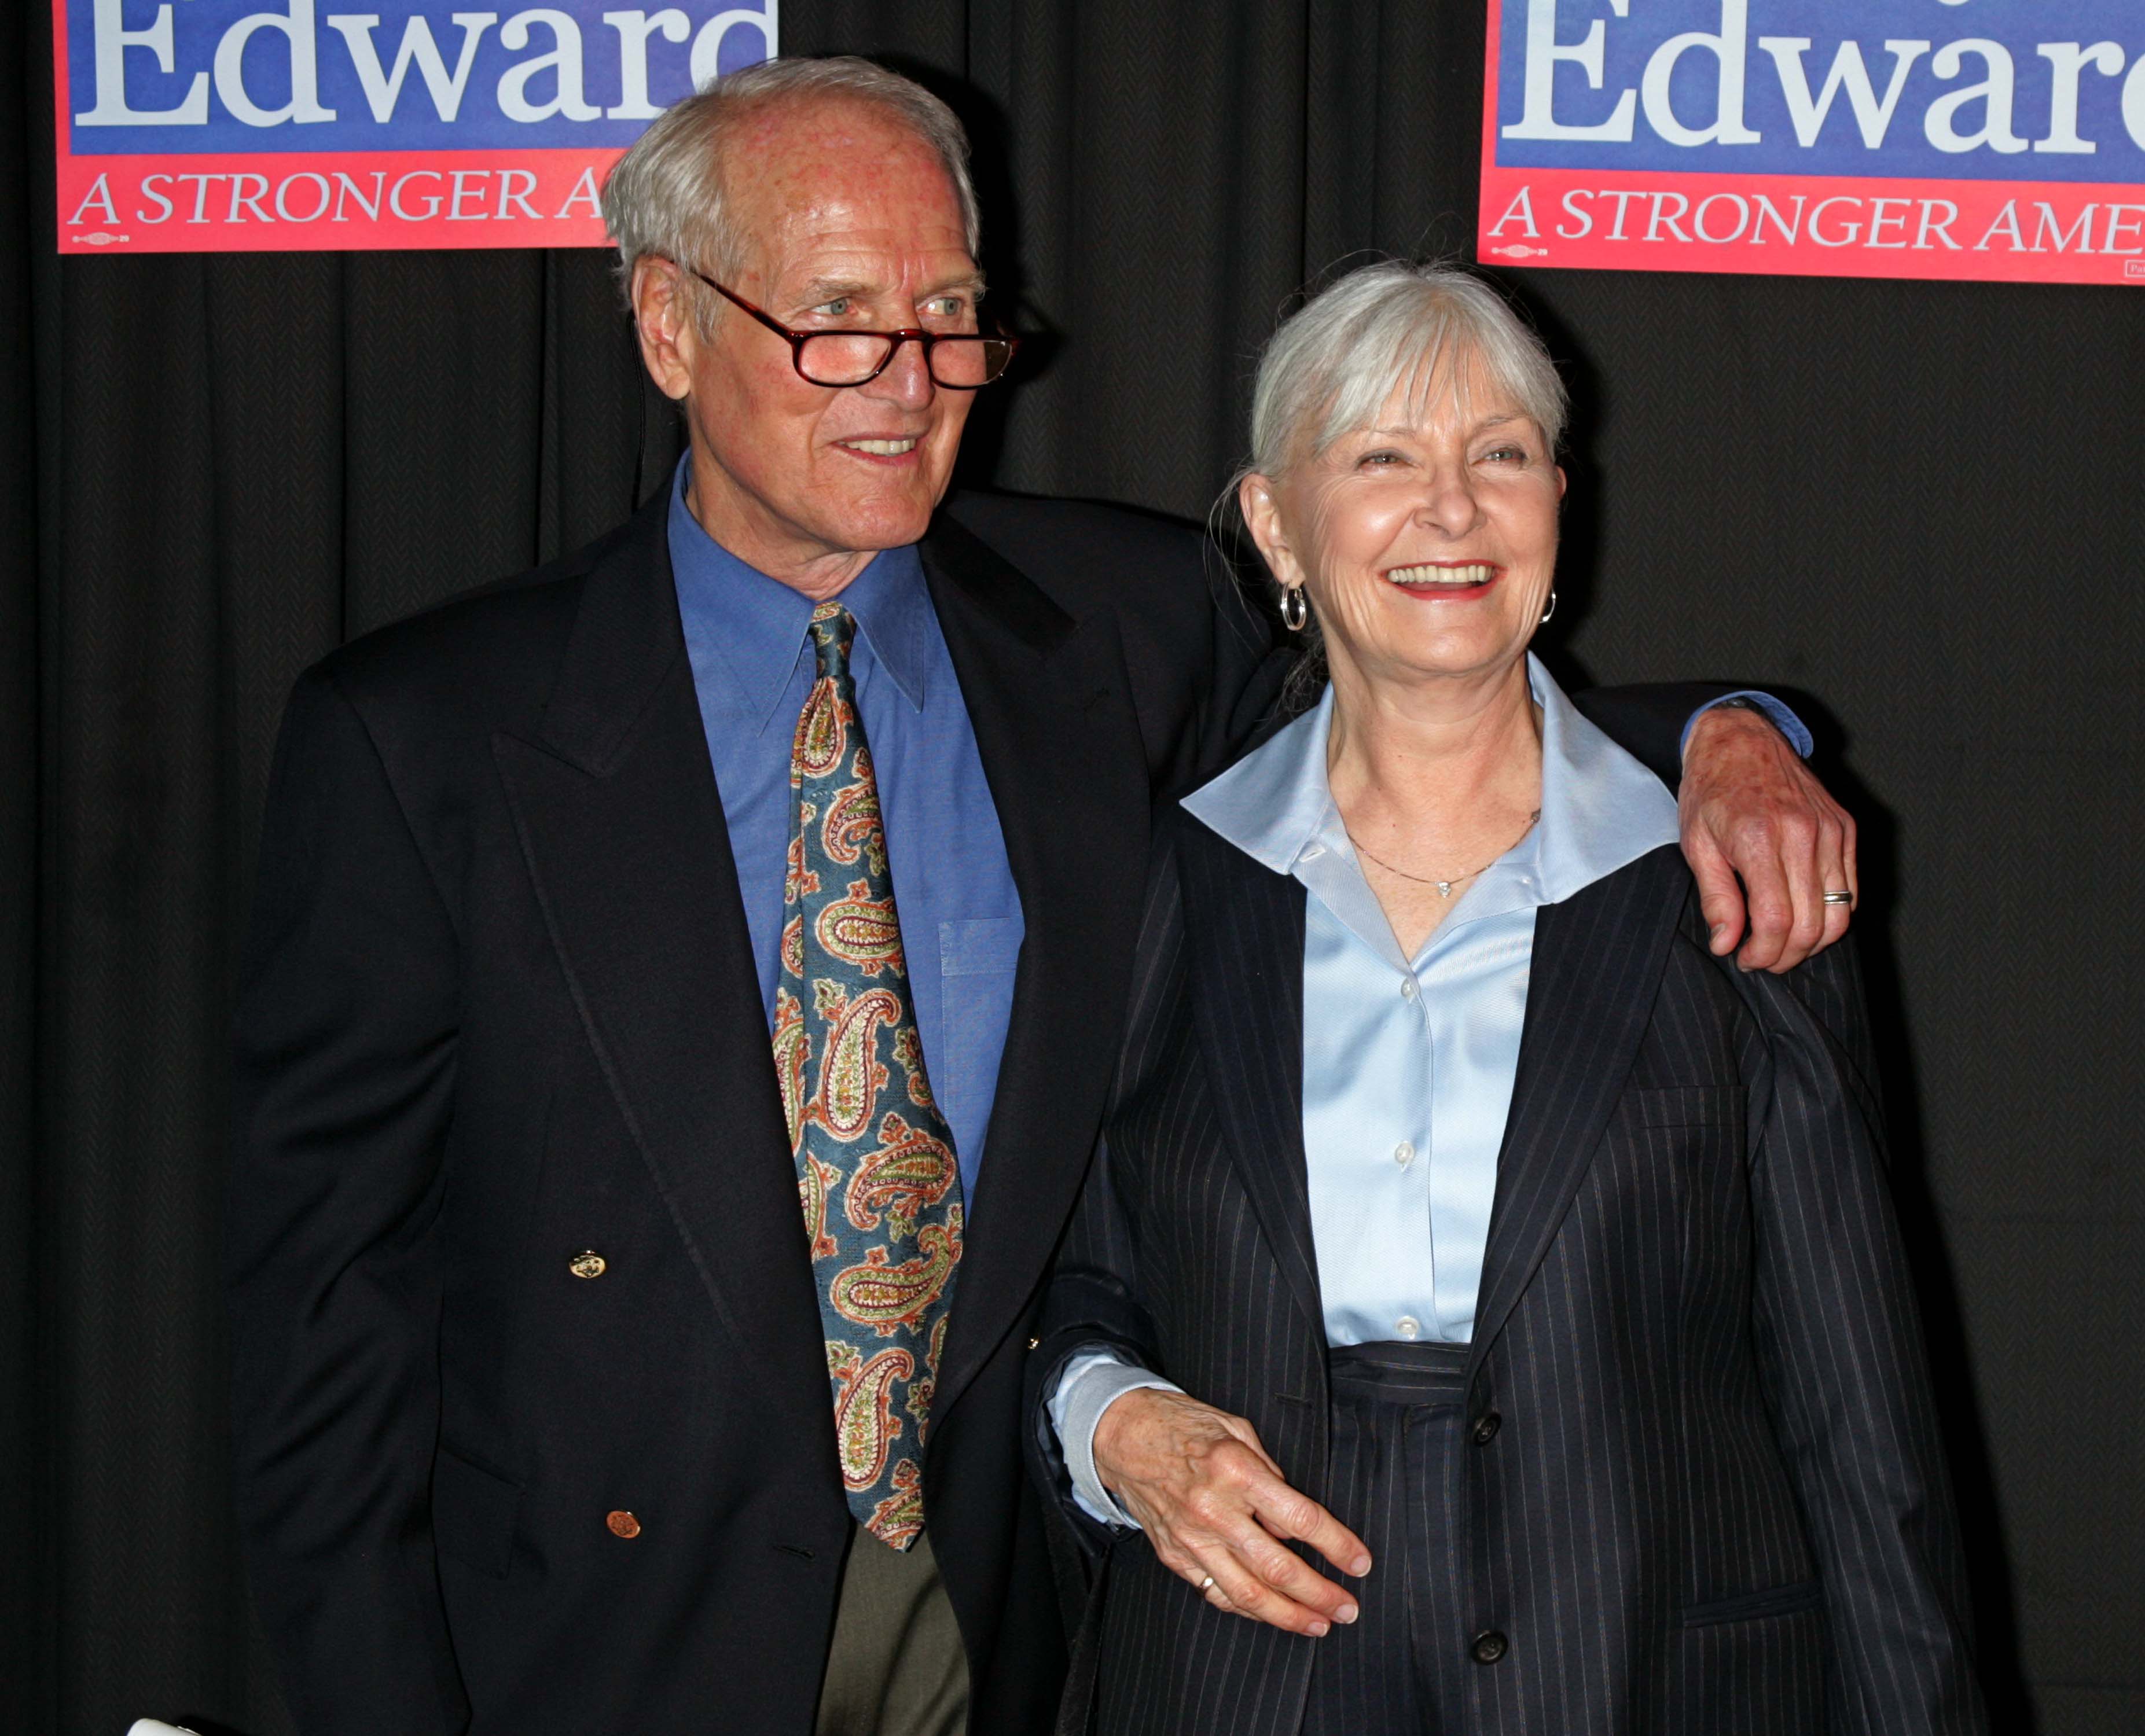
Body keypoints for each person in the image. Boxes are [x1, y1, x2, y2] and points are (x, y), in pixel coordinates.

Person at [227, 61, 1858, 1736]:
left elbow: (1429, 666)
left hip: (1000, 1617)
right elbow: (323, 1332)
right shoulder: (425, 738)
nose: (913, 382)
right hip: (594, 1644)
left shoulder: (1117, 627)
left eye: (949, 315)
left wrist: (1728, 737)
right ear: (666, 325)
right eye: (839, 319)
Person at [1028, 261, 1985, 1736]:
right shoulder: (1163, 882)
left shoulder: (1730, 880)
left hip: (1643, 1676)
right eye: (1381, 459)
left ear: (1556, 507)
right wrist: (1115, 1427)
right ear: (1276, 525)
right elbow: (1075, 1286)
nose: (1451, 509)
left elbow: (1856, 1404)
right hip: (1232, 1686)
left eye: (1499, 453)